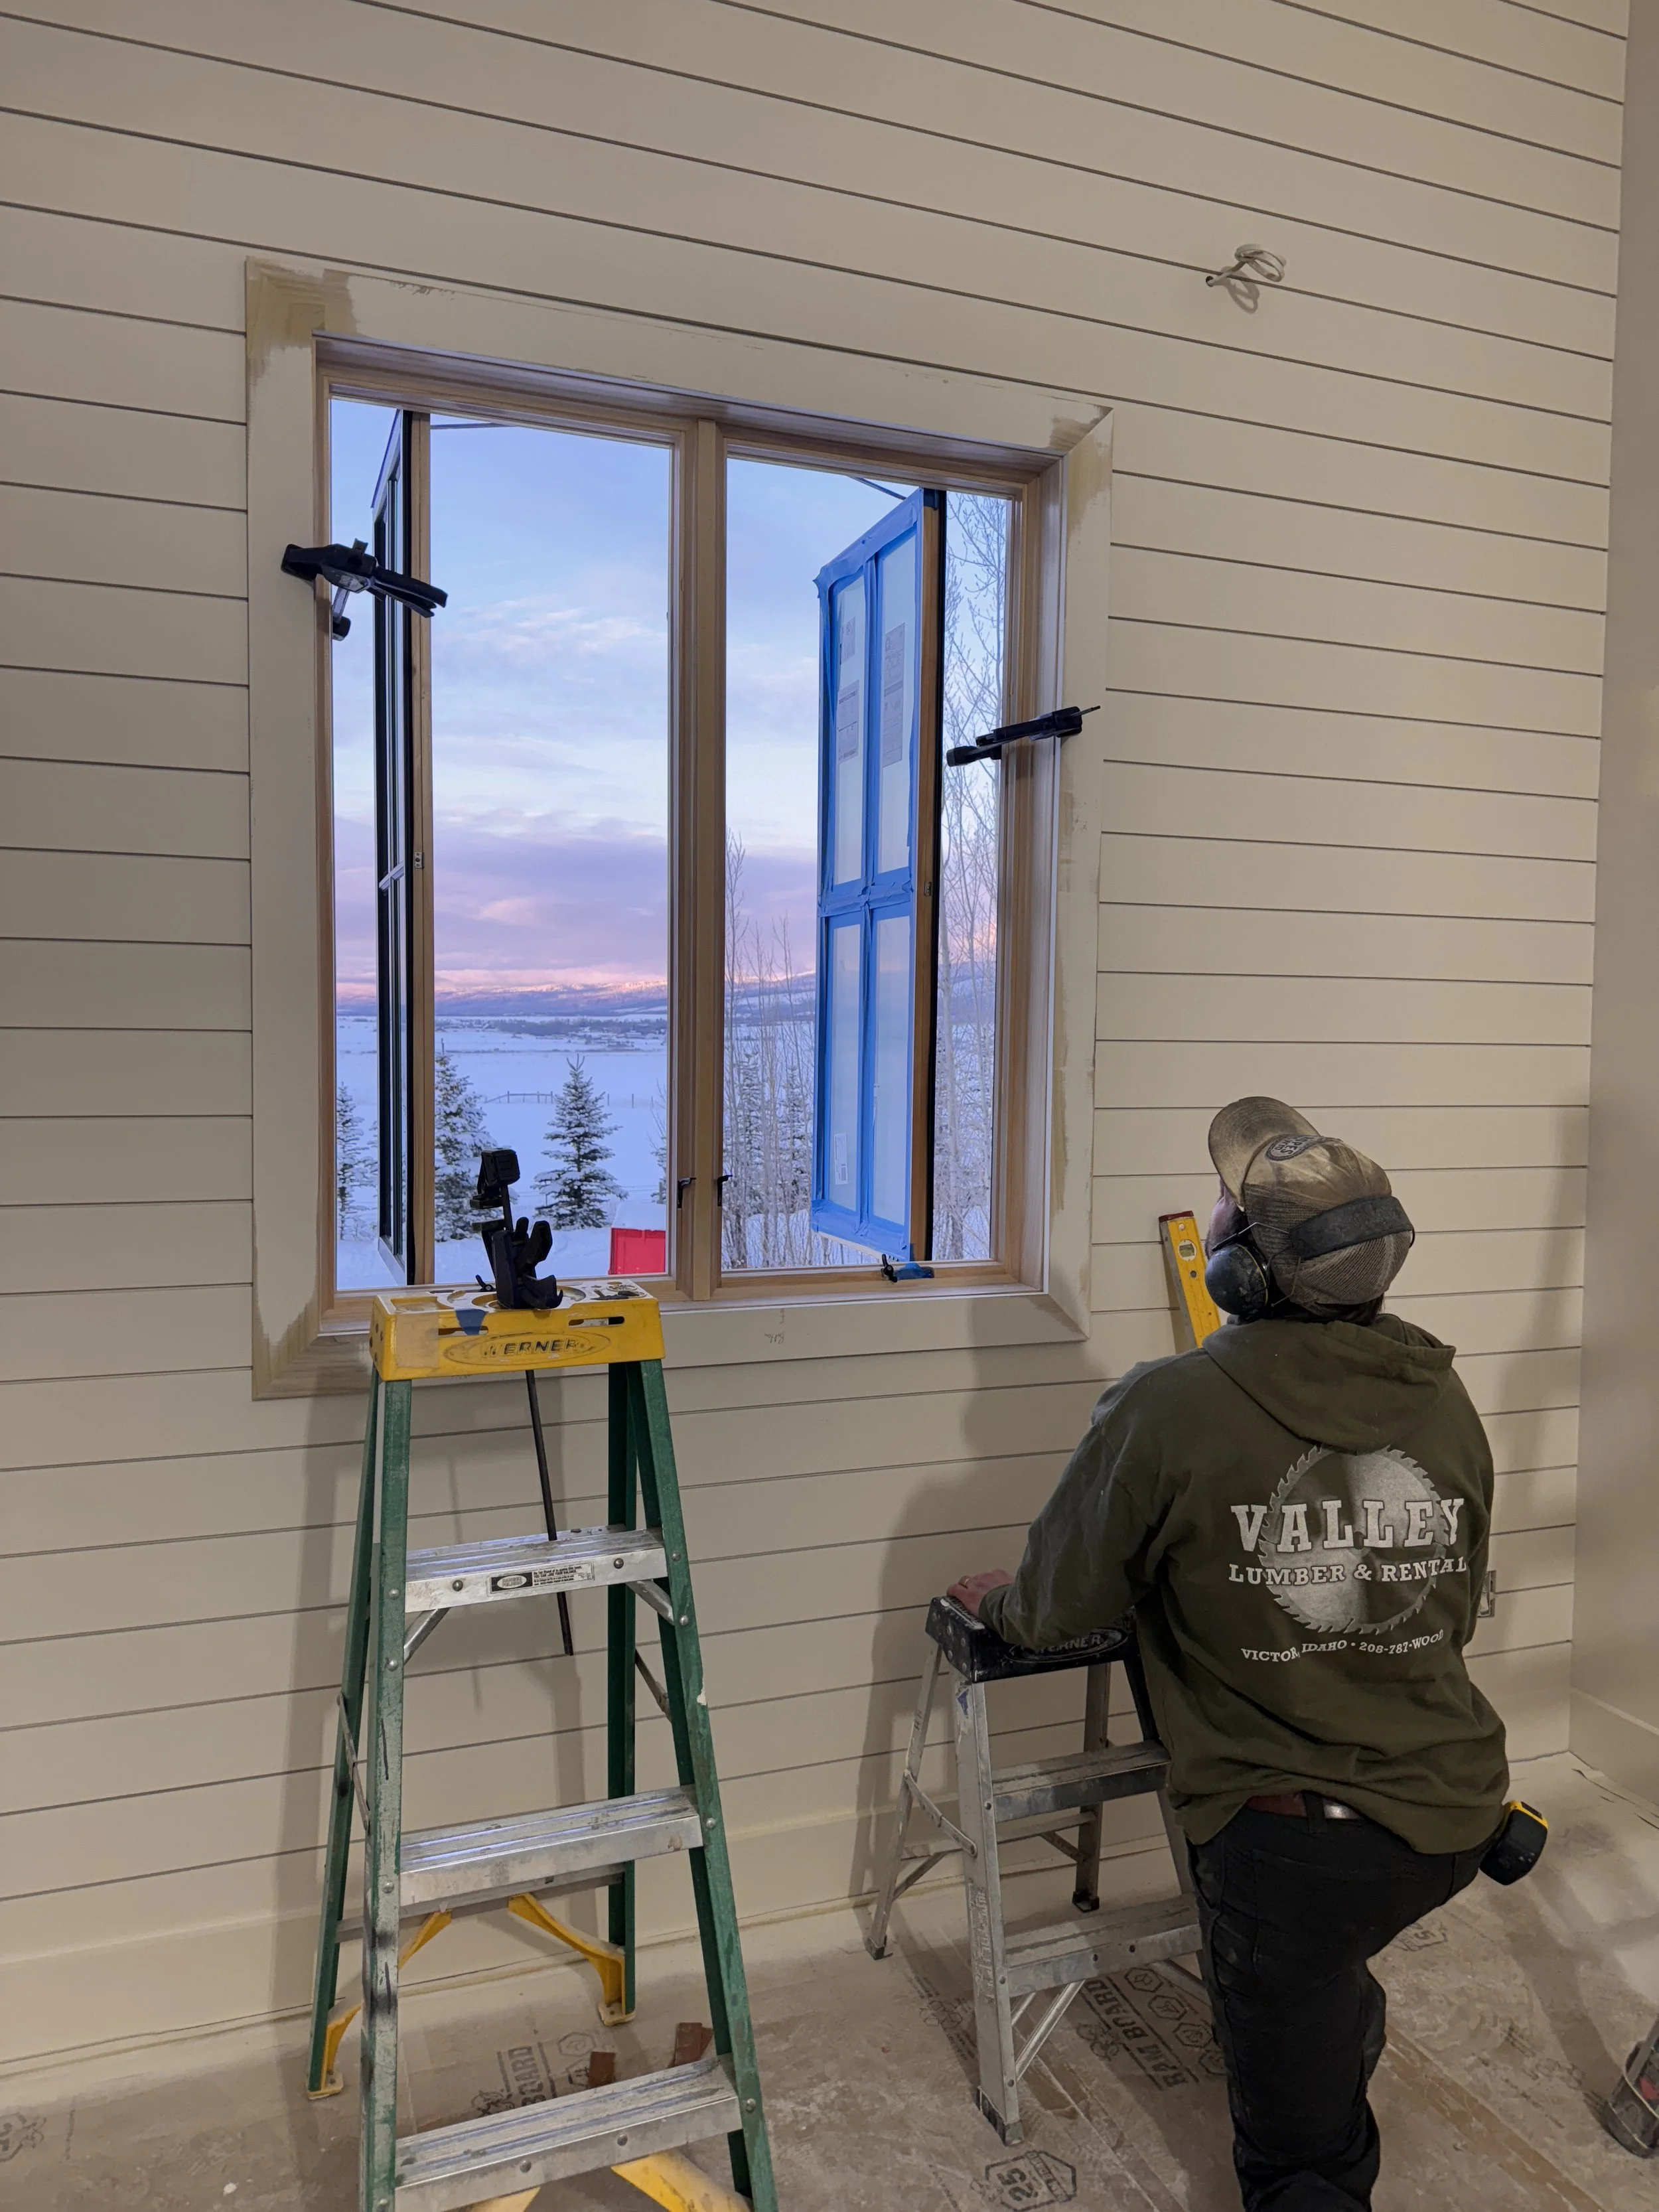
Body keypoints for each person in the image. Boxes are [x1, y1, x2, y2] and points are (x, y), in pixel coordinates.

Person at [949, 1096, 1509, 2212]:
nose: (1208, 1224)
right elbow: (1452, 1607)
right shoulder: (1441, 1396)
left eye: (1225, 1217)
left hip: (1294, 1851)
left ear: (1246, 1277)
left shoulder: (1172, 1404)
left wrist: (1000, 1606)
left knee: (1301, 2160)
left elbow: (1058, 1608)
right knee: (1322, 1996)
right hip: (1454, 1804)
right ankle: (1329, 2022)